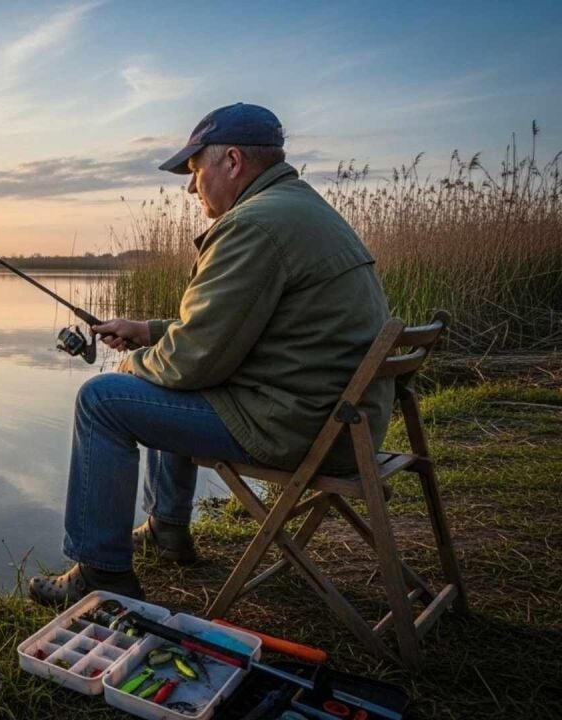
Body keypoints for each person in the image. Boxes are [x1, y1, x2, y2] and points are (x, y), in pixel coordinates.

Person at [28, 103, 393, 606]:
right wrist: (149, 330)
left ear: (233, 161)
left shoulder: (253, 225)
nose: (190, 186)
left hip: (299, 427)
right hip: (341, 420)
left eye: (195, 170)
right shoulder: (299, 208)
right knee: (162, 380)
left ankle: (101, 573)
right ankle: (167, 528)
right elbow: (237, 333)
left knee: (103, 400)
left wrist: (133, 360)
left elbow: (193, 362)